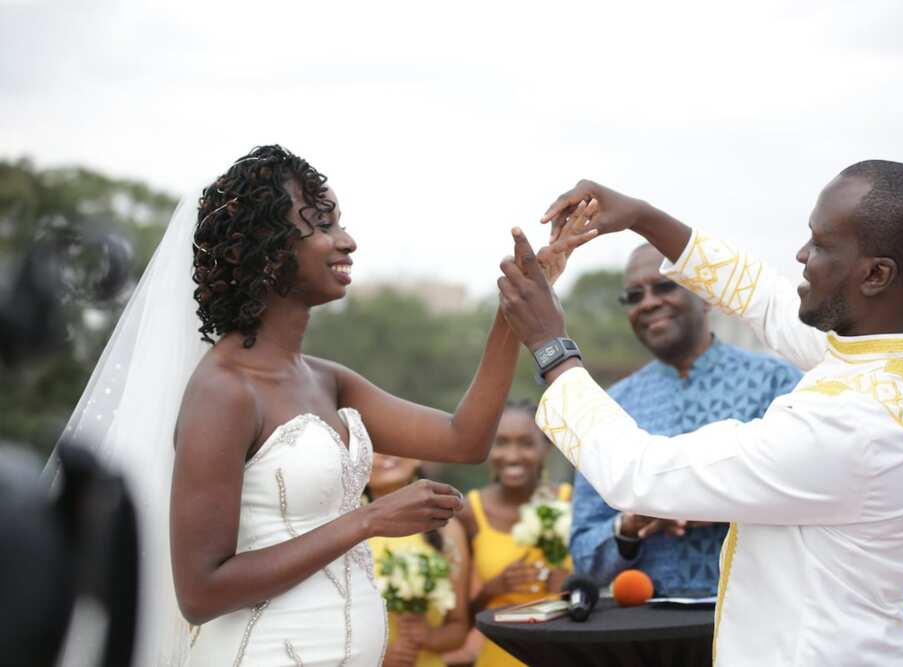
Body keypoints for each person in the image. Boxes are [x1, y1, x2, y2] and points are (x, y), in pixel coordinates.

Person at [52, 145, 587, 666]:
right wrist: (368, 520)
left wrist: (513, 309)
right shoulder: (224, 390)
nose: (347, 240)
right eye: (323, 225)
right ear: (265, 248)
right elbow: (201, 590)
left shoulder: (327, 380)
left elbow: (463, 440)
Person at [495, 161, 903, 666]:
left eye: (819, 244)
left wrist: (551, 346)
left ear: (876, 274)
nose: (801, 255)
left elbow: (640, 473)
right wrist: (642, 217)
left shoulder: (856, 420)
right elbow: (767, 302)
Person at [571, 243, 801, 595]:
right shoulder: (609, 409)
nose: (648, 302)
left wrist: (711, 501)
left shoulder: (776, 384)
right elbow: (585, 557)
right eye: (634, 296)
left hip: (760, 621)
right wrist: (631, 525)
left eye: (664, 286)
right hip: (647, 630)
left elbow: (812, 497)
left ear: (706, 296)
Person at [457, 401, 573, 667]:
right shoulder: (468, 512)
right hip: (498, 657)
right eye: (501, 442)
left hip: (564, 654)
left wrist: (571, 589)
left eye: (526, 443)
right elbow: (456, 620)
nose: (512, 456)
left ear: (547, 447)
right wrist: (491, 590)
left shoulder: (572, 502)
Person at [367, 454, 471, 667]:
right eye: (376, 447)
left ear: (417, 458)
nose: (386, 455)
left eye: (395, 446)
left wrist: (427, 637)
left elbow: (458, 628)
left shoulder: (448, 530)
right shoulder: (343, 527)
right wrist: (379, 658)